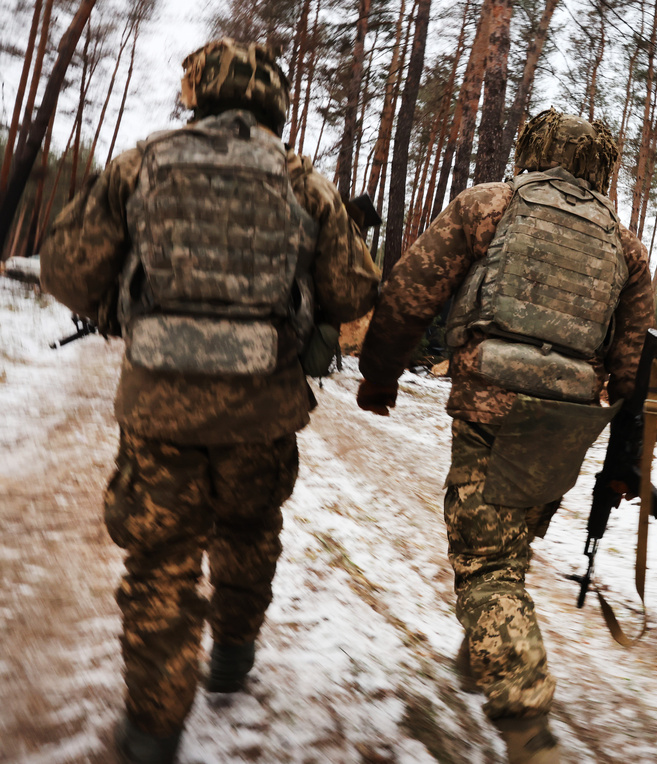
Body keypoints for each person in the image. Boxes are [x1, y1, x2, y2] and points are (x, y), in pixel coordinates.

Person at [40, 38, 380, 764]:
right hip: (264, 410)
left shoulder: (143, 162)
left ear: (198, 90)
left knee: (161, 558)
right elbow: (355, 289)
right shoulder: (303, 181)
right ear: (273, 100)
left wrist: (114, 304)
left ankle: (153, 729)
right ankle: (230, 656)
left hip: (159, 405)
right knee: (248, 531)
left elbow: (66, 267)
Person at [355, 108, 653, 763]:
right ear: (601, 164)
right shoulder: (626, 247)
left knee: (488, 566)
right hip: (567, 421)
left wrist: (379, 374)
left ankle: (526, 725)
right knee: (506, 541)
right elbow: (633, 372)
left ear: (533, 148)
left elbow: (409, 294)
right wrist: (622, 455)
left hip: (491, 402)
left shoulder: (488, 205)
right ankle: (481, 653)